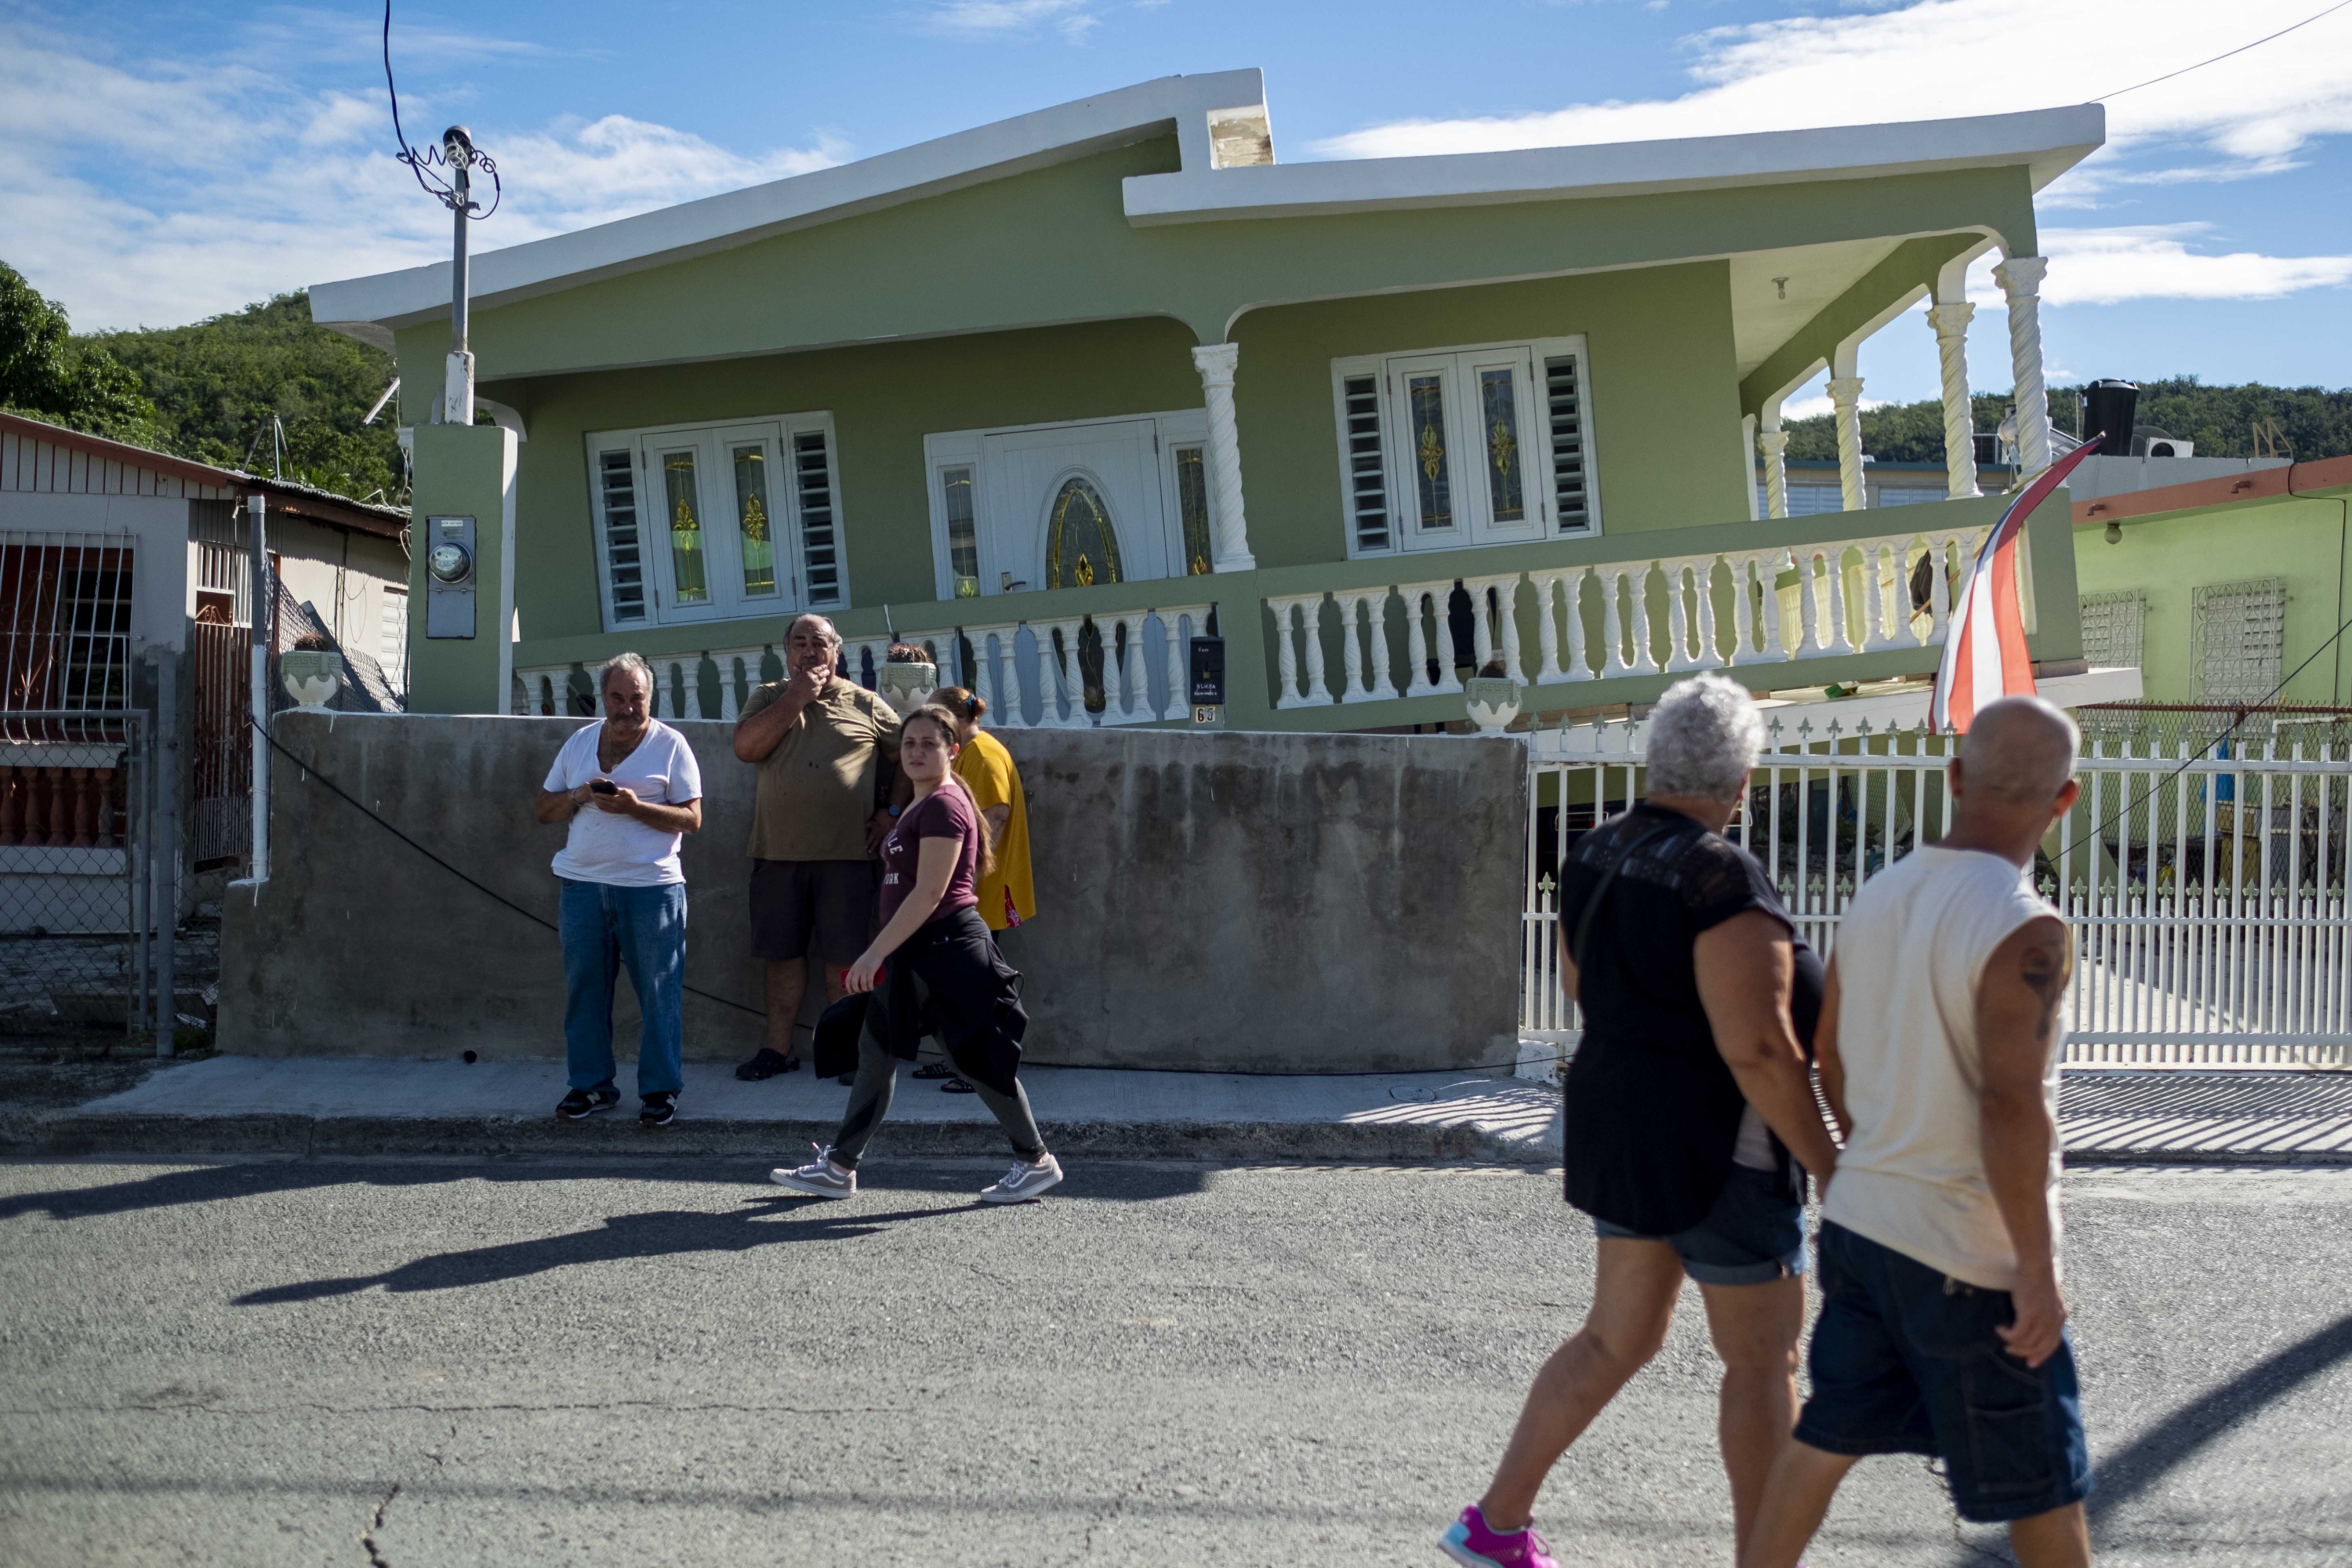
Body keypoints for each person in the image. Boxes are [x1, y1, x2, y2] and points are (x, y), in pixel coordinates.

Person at [1443, 671, 1840, 1568]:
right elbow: (1762, 1053)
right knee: (1762, 1364)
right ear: (1740, 781)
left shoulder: (1595, 850)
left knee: (1615, 1336)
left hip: (1619, 1125)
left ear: (1655, 761)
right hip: (1719, 1151)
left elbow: (1582, 986)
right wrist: (1832, 1164)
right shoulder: (1720, 875)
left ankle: (1495, 1522)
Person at [1740, 697, 2092, 1568]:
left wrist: (1872, 1148)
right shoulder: (2027, 927)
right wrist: (2038, 1271)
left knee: (1826, 1434)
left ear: (1956, 776)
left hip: (1864, 1221)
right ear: (2066, 799)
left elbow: (1828, 1052)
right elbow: (2011, 1106)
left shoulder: (1879, 890)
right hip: (1965, 1249)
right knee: (2043, 1479)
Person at [768, 702, 1063, 1204]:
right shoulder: (924, 805)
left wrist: (871, 956)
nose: (917, 751)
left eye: (929, 743)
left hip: (946, 950)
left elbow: (929, 894)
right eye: (909, 743)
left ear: (953, 750)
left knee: (971, 1059)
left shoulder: (945, 805)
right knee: (875, 1054)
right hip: (917, 954)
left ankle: (1035, 1159)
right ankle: (840, 1167)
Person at [533, 652, 704, 1127]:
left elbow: (692, 819)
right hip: (583, 886)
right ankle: (590, 1087)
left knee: (658, 992)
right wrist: (580, 795)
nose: (628, 707)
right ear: (603, 697)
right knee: (585, 990)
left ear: (650, 698)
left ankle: (660, 1091)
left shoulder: (671, 745)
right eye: (617, 697)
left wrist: (633, 807)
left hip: (651, 889)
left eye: (637, 698)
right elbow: (544, 809)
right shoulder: (581, 743)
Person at [731, 613, 902, 1083]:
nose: (809, 651)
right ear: (786, 652)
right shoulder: (768, 697)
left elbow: (906, 756)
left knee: (845, 961)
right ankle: (777, 1051)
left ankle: (845, 1054)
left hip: (847, 856)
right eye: (800, 643)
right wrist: (796, 697)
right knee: (782, 958)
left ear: (836, 651)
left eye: (819, 643)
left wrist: (890, 815)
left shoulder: (866, 703)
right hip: (777, 853)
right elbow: (746, 747)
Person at [911, 686, 1036, 1094]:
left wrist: (955, 881)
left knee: (977, 982)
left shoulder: (983, 756)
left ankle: (983, 1066)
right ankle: (959, 1061)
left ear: (954, 719)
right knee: (955, 981)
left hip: (982, 890)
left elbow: (994, 819)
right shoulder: (968, 752)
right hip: (970, 892)